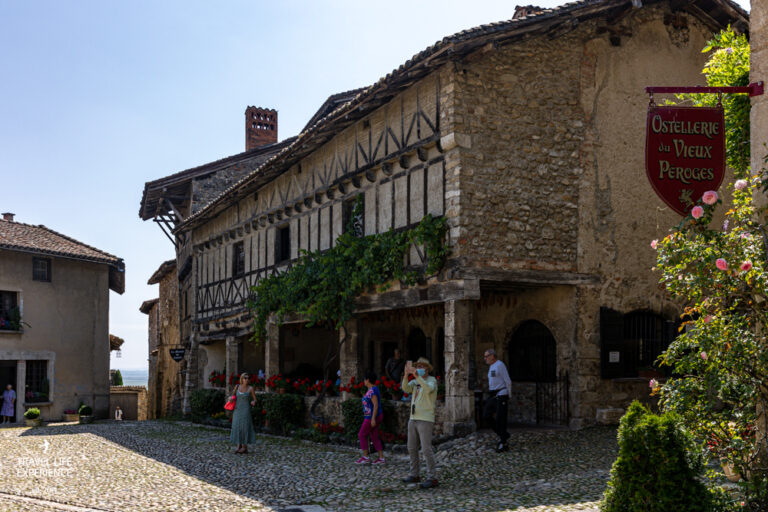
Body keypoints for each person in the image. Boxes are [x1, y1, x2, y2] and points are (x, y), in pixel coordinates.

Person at [401, 357, 438, 488]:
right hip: (413, 418)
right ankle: (414, 474)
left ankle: (432, 477)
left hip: (426, 419)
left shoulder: (432, 380)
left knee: (426, 449)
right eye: (418, 366)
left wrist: (418, 377)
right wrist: (406, 375)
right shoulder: (416, 381)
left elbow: (428, 389)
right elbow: (405, 389)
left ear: (427, 368)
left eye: (423, 366)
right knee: (411, 447)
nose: (420, 368)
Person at [483, 348, 512, 452]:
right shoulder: (491, 366)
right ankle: (503, 434)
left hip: (501, 394)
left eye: (486, 356)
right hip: (493, 394)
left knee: (501, 418)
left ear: (492, 356)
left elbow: (507, 380)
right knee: (486, 415)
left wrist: (509, 394)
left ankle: (503, 442)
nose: (485, 358)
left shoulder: (500, 365)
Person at [356, 371, 385, 465]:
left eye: (364, 379)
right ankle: (381, 458)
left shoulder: (372, 390)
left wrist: (372, 419)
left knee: (362, 434)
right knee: (374, 436)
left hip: (371, 417)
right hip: (374, 416)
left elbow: (375, 405)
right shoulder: (372, 389)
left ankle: (365, 457)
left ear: (367, 380)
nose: (364, 381)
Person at [230, 373, 257, 454]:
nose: (247, 379)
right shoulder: (237, 387)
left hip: (246, 409)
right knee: (237, 426)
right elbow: (233, 396)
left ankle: (244, 447)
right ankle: (238, 445)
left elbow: (255, 399)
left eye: (248, 378)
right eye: (245, 378)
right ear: (242, 379)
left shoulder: (250, 388)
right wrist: (230, 399)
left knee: (245, 426)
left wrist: (253, 402)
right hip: (237, 409)